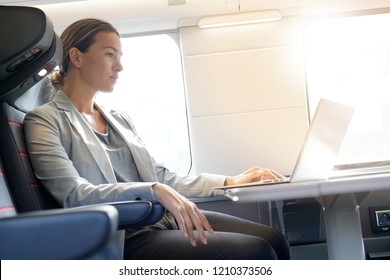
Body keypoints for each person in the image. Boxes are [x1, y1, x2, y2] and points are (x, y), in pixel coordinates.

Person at [23, 18, 291, 260]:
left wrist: (229, 182)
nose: (119, 66)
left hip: (165, 220)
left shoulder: (119, 118)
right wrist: (150, 190)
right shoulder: (45, 120)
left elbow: (163, 178)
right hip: (125, 236)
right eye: (109, 54)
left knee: (273, 238)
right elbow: (75, 195)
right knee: (258, 251)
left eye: (119, 56)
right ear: (77, 57)